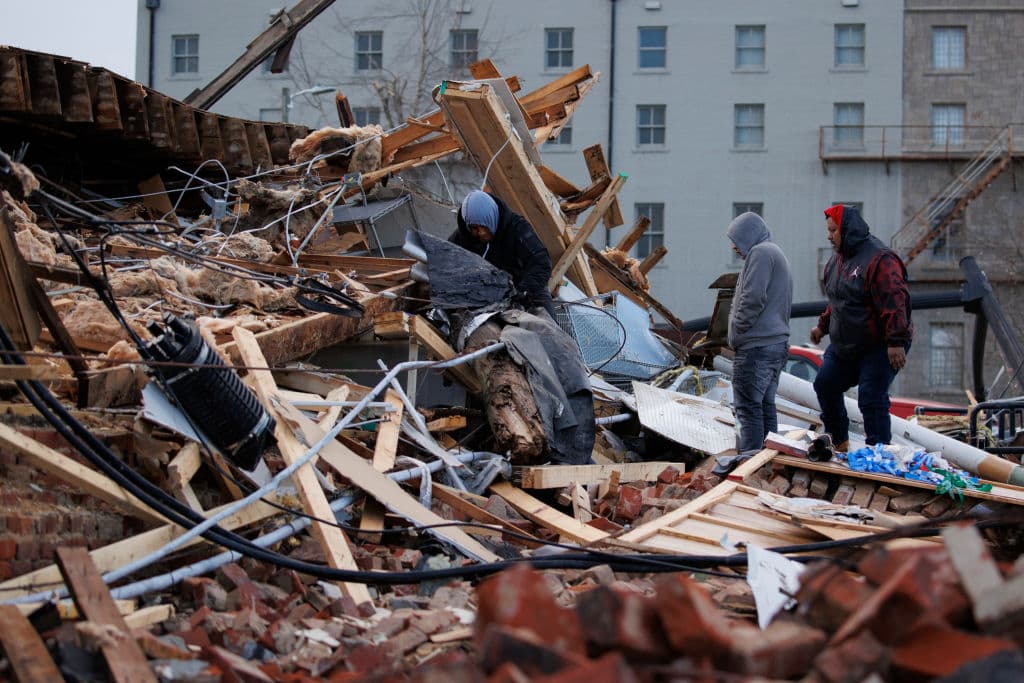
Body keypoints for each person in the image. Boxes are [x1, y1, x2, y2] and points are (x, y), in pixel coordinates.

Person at [810, 204, 913, 449]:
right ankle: (839, 441)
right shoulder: (836, 262)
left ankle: (879, 452)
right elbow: (838, 301)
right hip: (846, 343)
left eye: (833, 230)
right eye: (828, 230)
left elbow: (896, 302)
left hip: (879, 344)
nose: (829, 235)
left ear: (847, 230)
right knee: (825, 383)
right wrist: (822, 327)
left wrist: (896, 342)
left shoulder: (880, 260)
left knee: (871, 397)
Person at [726, 212, 794, 455]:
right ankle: (767, 463)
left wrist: (738, 330)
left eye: (737, 239)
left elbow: (752, 298)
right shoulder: (774, 252)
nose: (734, 247)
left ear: (749, 236)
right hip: (774, 345)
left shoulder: (761, 253)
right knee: (764, 407)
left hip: (757, 347)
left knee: (748, 409)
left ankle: (749, 465)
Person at [450, 189, 557, 318]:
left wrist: (521, 291)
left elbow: (542, 263)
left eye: (484, 226)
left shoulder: (517, 228)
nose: (481, 233)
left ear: (491, 217)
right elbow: (446, 259)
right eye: (474, 228)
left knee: (548, 326)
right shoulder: (464, 236)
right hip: (484, 291)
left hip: (522, 289)